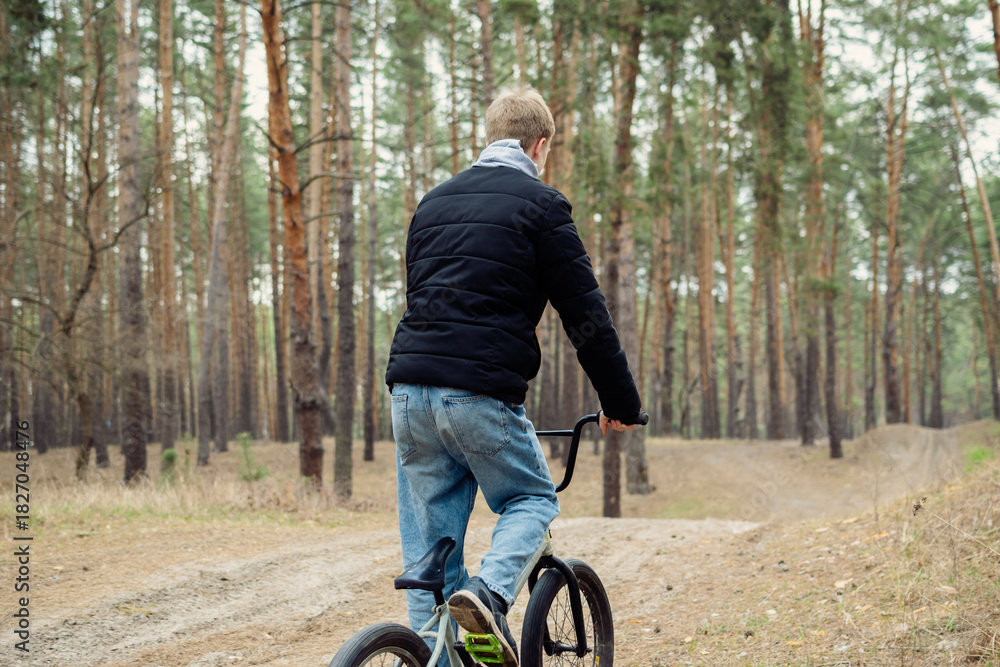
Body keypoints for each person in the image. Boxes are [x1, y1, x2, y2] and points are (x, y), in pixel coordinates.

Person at [385, 84, 642, 667]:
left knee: (431, 562)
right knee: (530, 497)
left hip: (408, 393)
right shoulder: (542, 205)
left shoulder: (433, 202)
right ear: (540, 143)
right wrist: (621, 402)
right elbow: (586, 318)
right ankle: (491, 593)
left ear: (491, 135)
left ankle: (435, 651)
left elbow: (422, 299)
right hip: (477, 394)